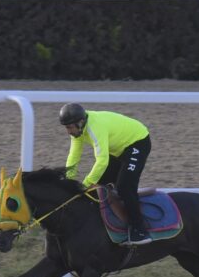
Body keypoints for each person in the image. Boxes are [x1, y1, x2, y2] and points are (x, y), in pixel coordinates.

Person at [59, 103, 153, 246]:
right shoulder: (77, 130)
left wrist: (85, 184)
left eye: (70, 127)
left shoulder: (94, 128)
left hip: (138, 142)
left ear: (81, 122)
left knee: (125, 187)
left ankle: (139, 230)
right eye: (66, 127)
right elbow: (74, 156)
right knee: (99, 185)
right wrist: (68, 180)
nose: (68, 131)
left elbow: (102, 161)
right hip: (119, 149)